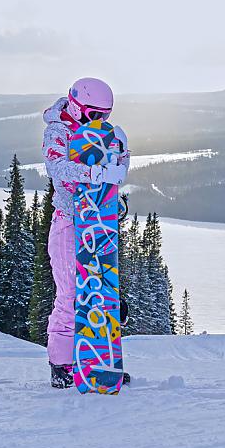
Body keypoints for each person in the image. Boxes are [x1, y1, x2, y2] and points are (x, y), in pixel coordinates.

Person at [41, 77, 130, 389]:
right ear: (78, 106)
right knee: (70, 294)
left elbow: (116, 169)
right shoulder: (58, 130)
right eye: (94, 115)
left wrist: (119, 162)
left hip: (97, 222)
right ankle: (62, 363)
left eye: (104, 116)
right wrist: (95, 172)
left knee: (102, 291)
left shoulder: (103, 134)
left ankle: (99, 360)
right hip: (68, 221)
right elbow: (58, 168)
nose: (100, 121)